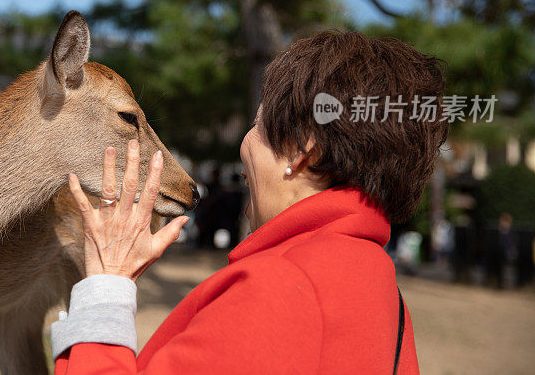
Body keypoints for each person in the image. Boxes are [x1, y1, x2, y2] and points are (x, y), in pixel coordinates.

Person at [52, 30, 447, 373]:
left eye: (258, 125)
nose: (245, 145)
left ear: (300, 151)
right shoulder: (378, 284)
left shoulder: (280, 289)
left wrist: (107, 284)